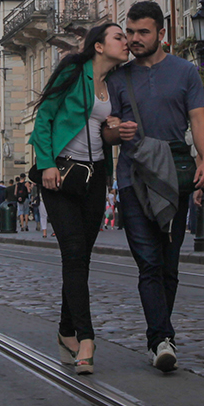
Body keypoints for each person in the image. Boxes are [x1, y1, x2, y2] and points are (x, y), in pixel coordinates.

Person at [108, 1, 204, 373]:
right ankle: (161, 339)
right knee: (148, 262)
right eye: (130, 32)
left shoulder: (185, 71)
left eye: (143, 32)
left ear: (161, 33)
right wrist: (115, 132)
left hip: (174, 175)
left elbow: (198, 119)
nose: (134, 39)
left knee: (169, 263)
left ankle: (161, 334)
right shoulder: (118, 78)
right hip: (133, 176)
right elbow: (106, 128)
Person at [33, 22, 128, 376]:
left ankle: (65, 331)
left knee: (81, 258)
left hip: (95, 177)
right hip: (60, 173)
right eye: (119, 37)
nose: (126, 42)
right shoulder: (74, 71)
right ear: (99, 46)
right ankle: (86, 338)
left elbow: (104, 132)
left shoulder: (115, 82)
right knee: (73, 252)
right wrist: (46, 163)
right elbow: (44, 117)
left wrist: (115, 128)